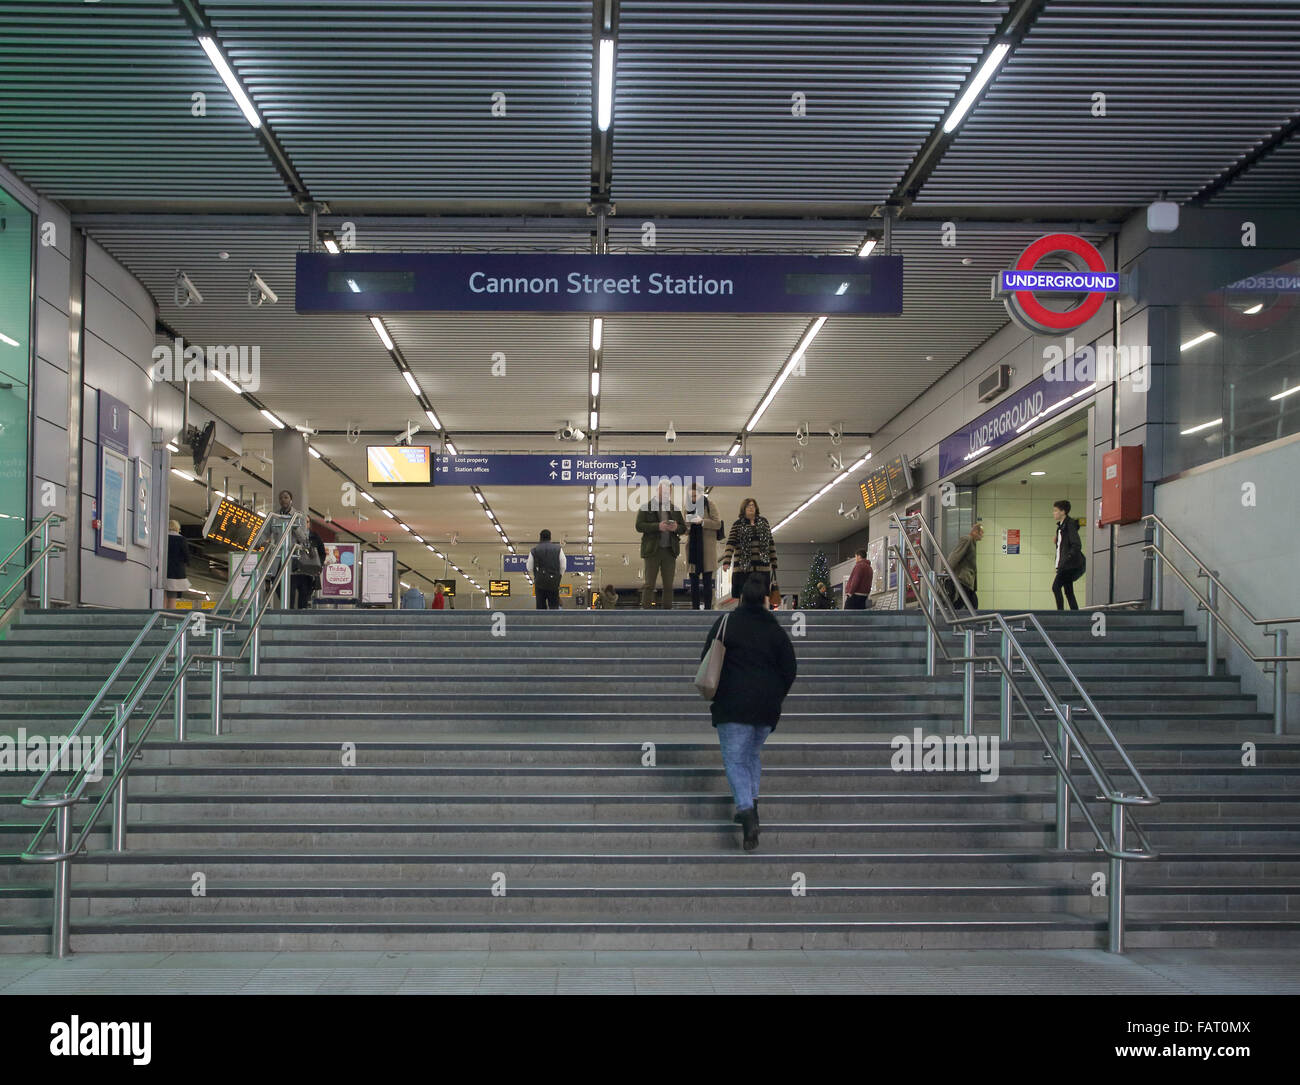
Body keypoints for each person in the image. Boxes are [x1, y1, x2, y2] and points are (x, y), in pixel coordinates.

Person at [701, 574, 798, 851]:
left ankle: (747, 814)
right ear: (767, 600)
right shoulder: (775, 631)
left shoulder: (727, 623)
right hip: (766, 708)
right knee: (751, 755)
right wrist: (776, 694)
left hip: (733, 705)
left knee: (734, 760)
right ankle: (751, 804)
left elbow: (707, 656)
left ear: (740, 598)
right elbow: (790, 668)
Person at [635, 480, 687, 609]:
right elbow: (639, 526)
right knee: (649, 584)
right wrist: (658, 526)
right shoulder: (646, 507)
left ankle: (667, 613)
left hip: (670, 551)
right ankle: (645, 612)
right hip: (652, 550)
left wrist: (676, 528)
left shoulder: (674, 509)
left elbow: (683, 528)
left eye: (668, 491)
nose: (665, 494)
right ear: (657, 490)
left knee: (669, 584)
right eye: (663, 491)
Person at [721, 498, 778, 602]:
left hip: (762, 566)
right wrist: (726, 562)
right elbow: (730, 544)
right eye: (748, 506)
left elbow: (770, 542)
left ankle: (763, 615)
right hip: (743, 568)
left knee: (764, 594)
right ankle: (744, 615)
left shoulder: (764, 522)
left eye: (753, 505)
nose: (751, 507)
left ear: (756, 508)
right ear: (744, 509)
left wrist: (774, 562)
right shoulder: (737, 524)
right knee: (743, 594)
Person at [684, 482, 724, 610]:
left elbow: (717, 524)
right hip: (693, 549)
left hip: (707, 549)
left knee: (707, 582)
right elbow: (685, 529)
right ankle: (695, 610)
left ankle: (708, 609)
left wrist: (702, 522)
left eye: (695, 496)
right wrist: (686, 526)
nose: (693, 499)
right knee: (694, 583)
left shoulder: (710, 505)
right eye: (691, 496)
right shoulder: (687, 507)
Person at [1052, 499, 1086, 610]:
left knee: (1056, 587)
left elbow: (1076, 544)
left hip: (1069, 565)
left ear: (1063, 512)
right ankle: (1074, 612)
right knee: (1068, 590)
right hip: (1066, 564)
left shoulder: (1069, 524)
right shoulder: (1061, 527)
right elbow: (1063, 547)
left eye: (1056, 510)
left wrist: (1067, 558)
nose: (1054, 513)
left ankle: (1060, 612)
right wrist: (1057, 542)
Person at [946, 522, 983, 611]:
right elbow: (956, 554)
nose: (982, 535)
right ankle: (953, 618)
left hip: (967, 580)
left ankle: (961, 619)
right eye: (981, 532)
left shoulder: (972, 542)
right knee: (968, 602)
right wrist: (947, 569)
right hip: (962, 578)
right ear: (975, 532)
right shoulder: (967, 539)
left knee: (970, 602)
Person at [527, 529, 566, 610]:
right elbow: (563, 566)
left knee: (540, 607)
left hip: (539, 583)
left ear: (540, 538)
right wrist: (558, 577)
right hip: (553, 583)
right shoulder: (558, 549)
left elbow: (529, 567)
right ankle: (553, 621)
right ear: (550, 538)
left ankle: (541, 621)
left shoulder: (534, 550)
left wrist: (536, 575)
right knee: (554, 607)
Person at [290, 524, 327, 609]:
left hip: (307, 573)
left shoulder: (314, 536)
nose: (305, 523)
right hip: (292, 571)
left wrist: (317, 566)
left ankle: (301, 619)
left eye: (307, 521)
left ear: (309, 524)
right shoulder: (290, 534)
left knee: (304, 600)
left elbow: (322, 553)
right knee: (289, 599)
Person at [163, 520, 191, 607]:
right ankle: (169, 618)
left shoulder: (163, 538)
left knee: (163, 595)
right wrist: (187, 563)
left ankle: (161, 614)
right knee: (172, 597)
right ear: (177, 528)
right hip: (176, 572)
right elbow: (186, 555)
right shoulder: (181, 539)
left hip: (162, 570)